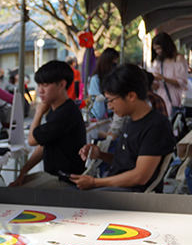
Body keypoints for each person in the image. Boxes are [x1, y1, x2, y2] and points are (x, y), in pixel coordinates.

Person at [73, 64, 176, 192]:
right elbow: (126, 163)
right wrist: (100, 155)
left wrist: (95, 182)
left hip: (131, 195)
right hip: (118, 188)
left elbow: (140, 176)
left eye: (111, 100)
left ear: (131, 96)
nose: (109, 106)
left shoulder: (156, 126)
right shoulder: (132, 121)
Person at [10, 61, 86, 188]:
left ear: (62, 84)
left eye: (45, 85)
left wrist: (38, 113)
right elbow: (43, 145)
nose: (40, 90)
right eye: (39, 85)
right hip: (54, 176)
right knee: (14, 187)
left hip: (65, 181)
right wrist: (24, 171)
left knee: (11, 194)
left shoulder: (65, 113)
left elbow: (32, 141)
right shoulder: (58, 109)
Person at [149, 32, 188, 117]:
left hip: (174, 96)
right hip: (160, 96)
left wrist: (163, 79)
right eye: (155, 49)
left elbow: (182, 82)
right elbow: (156, 86)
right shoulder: (158, 62)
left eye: (159, 48)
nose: (158, 51)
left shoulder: (178, 59)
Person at [88, 48, 120, 120]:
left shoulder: (113, 77)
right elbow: (96, 98)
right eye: (114, 63)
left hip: (111, 115)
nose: (116, 65)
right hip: (98, 116)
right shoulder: (96, 79)